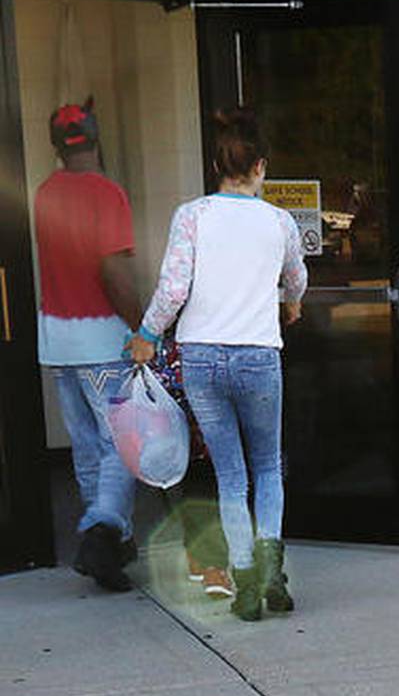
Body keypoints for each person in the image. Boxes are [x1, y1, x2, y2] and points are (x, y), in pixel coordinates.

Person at [130, 110, 307, 621]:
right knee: (268, 466)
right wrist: (291, 305)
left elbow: (173, 289)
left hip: (201, 356)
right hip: (258, 355)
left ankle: (245, 583)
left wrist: (146, 334)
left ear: (215, 165)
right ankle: (274, 573)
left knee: (231, 475)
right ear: (260, 166)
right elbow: (296, 278)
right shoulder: (279, 221)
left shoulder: (192, 216)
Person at [33, 99, 143, 593]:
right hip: (103, 340)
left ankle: (110, 548)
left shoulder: (43, 194)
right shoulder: (108, 193)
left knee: (87, 448)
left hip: (58, 341)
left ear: (57, 146)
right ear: (96, 139)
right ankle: (101, 533)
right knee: (123, 442)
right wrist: (142, 326)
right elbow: (113, 271)